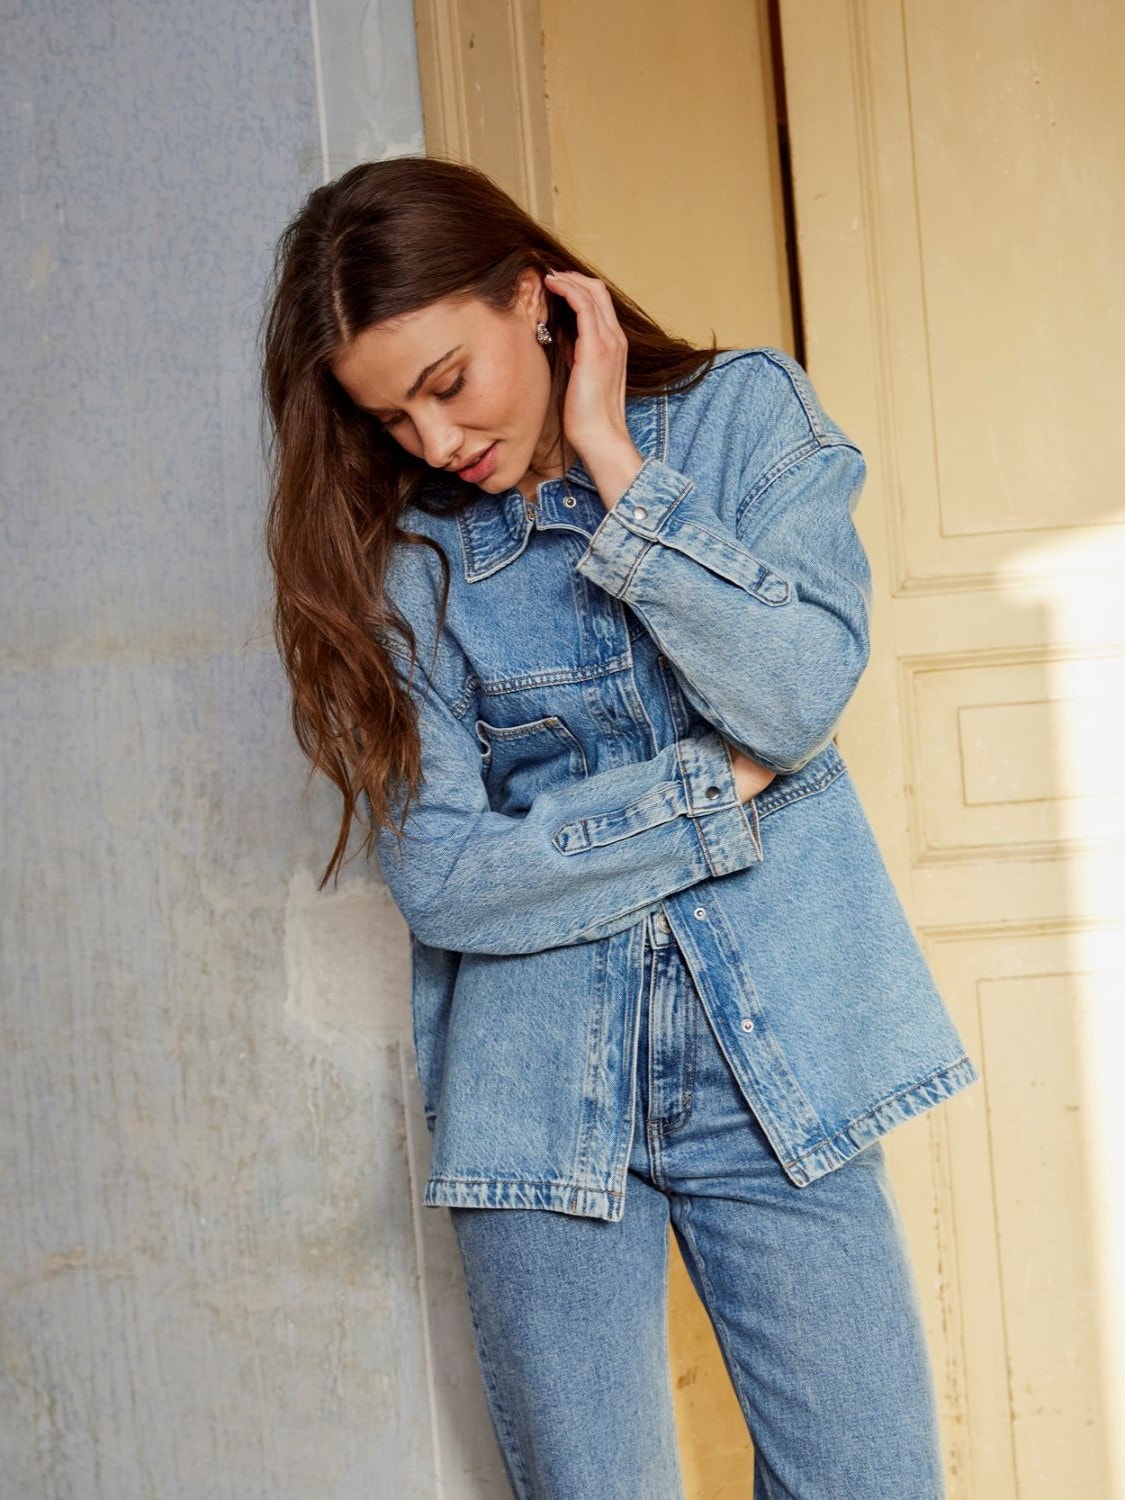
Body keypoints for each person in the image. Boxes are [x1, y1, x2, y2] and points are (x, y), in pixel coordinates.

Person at [260, 154, 981, 1499]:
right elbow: (448, 878)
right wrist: (702, 794)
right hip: (538, 1092)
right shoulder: (407, 560)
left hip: (778, 1066)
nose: (433, 444)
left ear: (535, 298)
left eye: (447, 383)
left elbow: (793, 692)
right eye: (391, 417)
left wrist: (615, 465)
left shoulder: (739, 419)